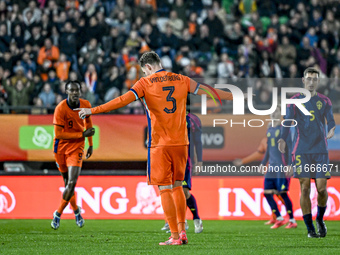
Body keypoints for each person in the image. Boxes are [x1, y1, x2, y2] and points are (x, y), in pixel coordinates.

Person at [76, 51, 233, 245]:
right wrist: (234, 96)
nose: (144, 75)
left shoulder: (145, 84)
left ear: (148, 67)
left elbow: (121, 101)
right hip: (182, 143)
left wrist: (92, 110)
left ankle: (175, 236)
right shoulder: (182, 79)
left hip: (160, 144)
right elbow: (208, 91)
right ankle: (183, 231)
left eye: (144, 71)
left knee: (165, 189)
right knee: (178, 186)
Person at [278, 67, 336, 238]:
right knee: (304, 188)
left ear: (318, 81)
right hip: (301, 150)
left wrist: (331, 129)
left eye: (314, 79)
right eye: (308, 79)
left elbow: (331, 121)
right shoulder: (294, 101)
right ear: (303, 81)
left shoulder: (325, 101)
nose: (311, 82)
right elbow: (287, 121)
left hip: (320, 150)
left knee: (322, 189)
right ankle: (310, 228)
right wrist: (282, 138)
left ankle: (320, 219)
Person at [51, 80, 95, 230]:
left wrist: (90, 143)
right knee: (67, 184)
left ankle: (57, 214)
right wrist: (82, 134)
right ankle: (76, 211)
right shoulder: (60, 109)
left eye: (77, 90)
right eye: (72, 90)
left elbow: (88, 125)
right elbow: (58, 134)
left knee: (71, 183)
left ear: (80, 91)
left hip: (77, 147)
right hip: (61, 149)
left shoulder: (86, 105)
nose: (75, 93)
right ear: (66, 91)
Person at [161, 112, 203, 234]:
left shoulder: (192, 119)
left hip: (185, 160)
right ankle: (178, 222)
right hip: (169, 159)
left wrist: (199, 161)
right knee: (170, 189)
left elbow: (198, 141)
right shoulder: (167, 116)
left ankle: (196, 218)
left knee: (184, 191)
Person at [233, 136, 287, 225]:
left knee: (280, 193)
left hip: (279, 170)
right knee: (269, 193)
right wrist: (243, 161)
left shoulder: (283, 139)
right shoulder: (265, 140)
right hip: (269, 171)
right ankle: (276, 216)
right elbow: (260, 153)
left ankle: (290, 215)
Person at [259, 107, 297, 229]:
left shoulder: (284, 129)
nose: (273, 114)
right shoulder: (270, 130)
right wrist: (263, 163)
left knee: (283, 193)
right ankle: (279, 218)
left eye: (276, 112)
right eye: (272, 112)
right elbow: (269, 150)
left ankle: (292, 220)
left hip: (282, 166)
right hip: (272, 167)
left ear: (280, 114)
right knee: (267, 193)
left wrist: (290, 165)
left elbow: (290, 147)